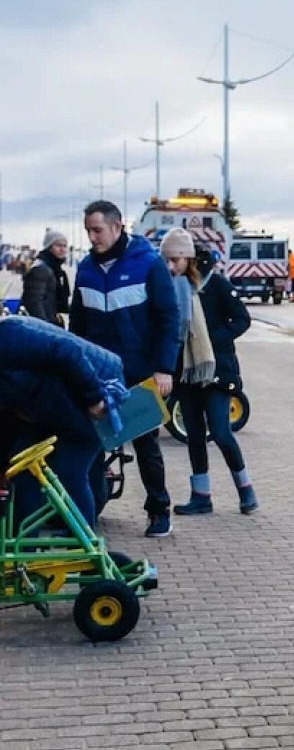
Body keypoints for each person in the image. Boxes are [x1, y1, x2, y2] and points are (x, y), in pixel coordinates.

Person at [70, 201, 180, 538]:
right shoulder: (85, 269)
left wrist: (164, 369)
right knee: (90, 443)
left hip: (140, 373)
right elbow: (77, 325)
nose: (92, 237)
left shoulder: (148, 265)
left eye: (97, 230)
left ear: (117, 227)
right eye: (88, 231)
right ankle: (88, 511)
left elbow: (169, 319)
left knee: (146, 444)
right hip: (98, 375)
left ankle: (158, 510)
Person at [160, 230, 258, 517]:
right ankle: (201, 496)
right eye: (166, 260)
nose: (170, 266)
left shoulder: (214, 284)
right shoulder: (170, 287)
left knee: (220, 432)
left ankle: (246, 489)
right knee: (194, 435)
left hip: (216, 370)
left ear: (187, 257)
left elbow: (241, 319)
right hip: (186, 371)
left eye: (175, 260)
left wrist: (210, 340)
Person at [0, 315, 123, 528]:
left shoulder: (7, 336)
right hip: (52, 406)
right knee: (21, 467)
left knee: (68, 471)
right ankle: (25, 540)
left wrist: (94, 398)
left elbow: (66, 350)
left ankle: (84, 541)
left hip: (96, 388)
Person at [21, 229, 69, 326]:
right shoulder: (41, 269)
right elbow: (34, 302)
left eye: (64, 246)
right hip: (45, 324)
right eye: (58, 245)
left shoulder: (56, 269)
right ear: (49, 247)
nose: (62, 249)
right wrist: (44, 327)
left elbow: (57, 302)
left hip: (51, 320)